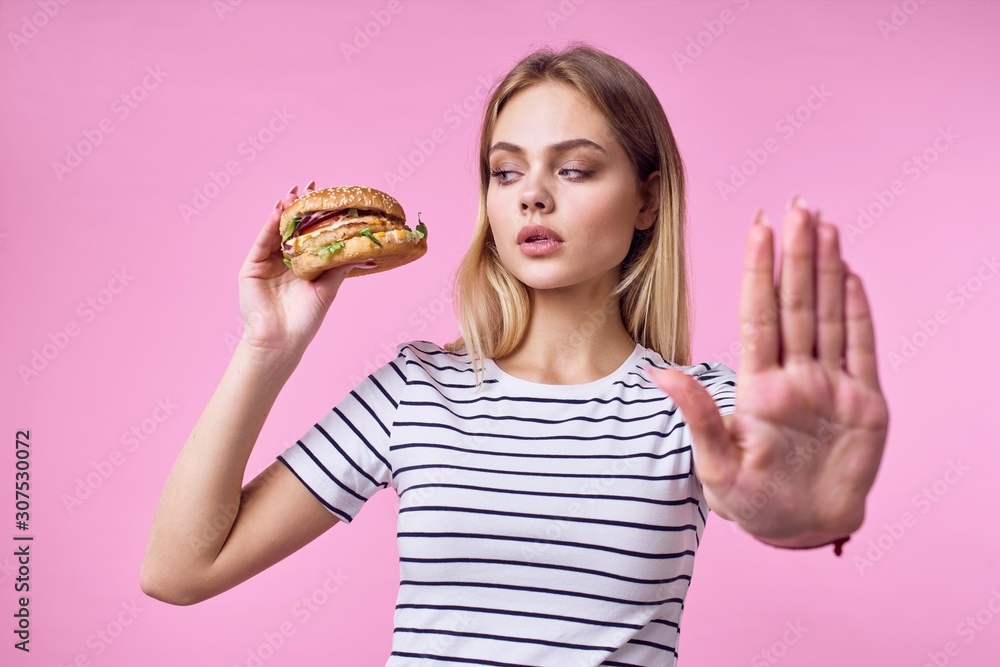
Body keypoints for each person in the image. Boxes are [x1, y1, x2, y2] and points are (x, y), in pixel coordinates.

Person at [141, 43, 889, 666]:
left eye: (574, 168)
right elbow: (179, 571)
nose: (531, 195)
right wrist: (266, 346)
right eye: (506, 171)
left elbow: (773, 496)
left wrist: (802, 503)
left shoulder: (698, 406)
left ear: (647, 200)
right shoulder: (416, 390)